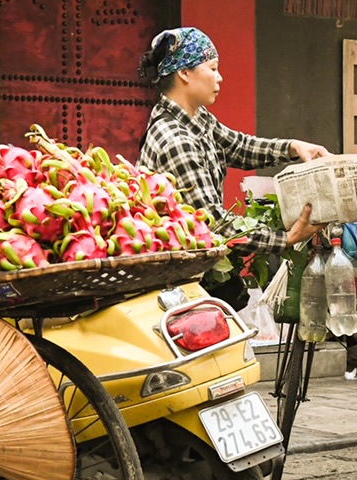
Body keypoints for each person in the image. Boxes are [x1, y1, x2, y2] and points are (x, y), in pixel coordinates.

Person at [136, 26, 327, 307]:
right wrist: (285, 238)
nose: (219, 77)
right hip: (178, 283)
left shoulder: (196, 118)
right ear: (184, 73)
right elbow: (215, 225)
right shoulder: (175, 139)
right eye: (212, 68)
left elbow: (237, 146)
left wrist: (294, 148)